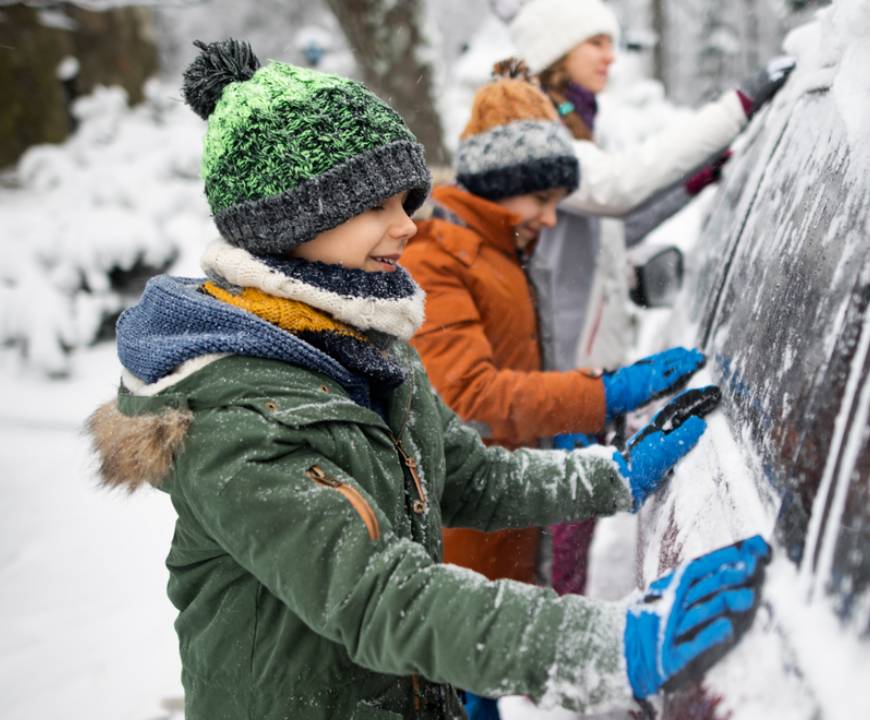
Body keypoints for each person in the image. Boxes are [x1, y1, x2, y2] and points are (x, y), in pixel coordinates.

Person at [87, 39, 770, 720]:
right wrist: (602, 647)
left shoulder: (363, 346)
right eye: (377, 207)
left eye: (406, 201)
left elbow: (471, 478)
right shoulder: (233, 420)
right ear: (290, 220)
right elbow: (379, 597)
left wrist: (611, 476)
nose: (408, 226)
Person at [502, 0, 796, 606]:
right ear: (555, 52)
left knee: (567, 546)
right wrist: (738, 106)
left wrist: (697, 181)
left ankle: (556, 629)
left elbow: (613, 225)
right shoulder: (533, 136)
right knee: (553, 556)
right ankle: (551, 644)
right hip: (552, 388)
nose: (611, 56)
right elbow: (619, 187)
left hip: (580, 386)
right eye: (595, 43)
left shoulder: (572, 129)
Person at [402, 60, 708, 588]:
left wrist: (559, 421)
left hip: (517, 516)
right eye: (542, 201)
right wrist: (603, 393)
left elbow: (517, 368)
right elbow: (470, 395)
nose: (550, 218)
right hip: (468, 542)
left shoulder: (506, 251)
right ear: (499, 184)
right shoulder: (437, 258)